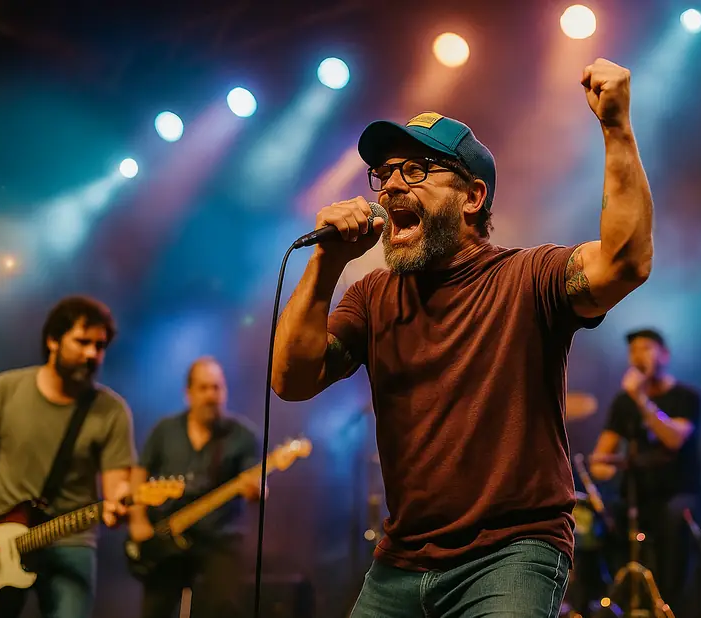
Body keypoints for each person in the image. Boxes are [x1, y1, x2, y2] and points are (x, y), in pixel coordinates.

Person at [271, 56, 654, 616]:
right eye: (386, 172)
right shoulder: (373, 295)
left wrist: (616, 126)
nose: (392, 185)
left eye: (418, 169)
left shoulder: (528, 277)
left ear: (473, 198)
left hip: (510, 554)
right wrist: (328, 260)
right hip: (400, 561)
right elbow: (290, 379)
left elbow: (625, 263)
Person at [0, 295, 136, 618]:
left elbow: (116, 487)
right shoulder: (5, 389)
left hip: (71, 541)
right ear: (52, 340)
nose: (92, 354)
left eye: (100, 346)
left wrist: (120, 506)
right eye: (82, 342)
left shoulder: (112, 411)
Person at [129, 356, 262, 618]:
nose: (212, 395)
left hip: (218, 540)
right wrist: (137, 521)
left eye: (217, 387)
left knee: (222, 607)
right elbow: (139, 474)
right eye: (204, 388)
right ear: (188, 393)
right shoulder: (165, 430)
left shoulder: (242, 435)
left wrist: (257, 491)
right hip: (164, 539)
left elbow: (255, 482)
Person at [588, 328, 701, 612]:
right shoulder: (622, 402)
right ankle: (611, 599)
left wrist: (641, 400)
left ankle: (669, 604)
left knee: (674, 518)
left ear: (665, 354)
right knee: (603, 519)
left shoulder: (685, 396)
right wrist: (603, 468)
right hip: (637, 498)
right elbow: (601, 459)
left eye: (647, 348)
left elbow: (674, 438)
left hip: (677, 494)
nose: (639, 355)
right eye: (634, 350)